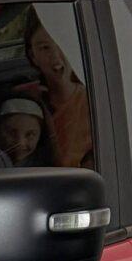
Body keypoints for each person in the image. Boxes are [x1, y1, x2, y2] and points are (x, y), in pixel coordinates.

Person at [24, 11, 92, 167]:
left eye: (63, 44)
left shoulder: (97, 99)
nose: (56, 56)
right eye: (45, 47)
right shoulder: (24, 100)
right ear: (32, 55)